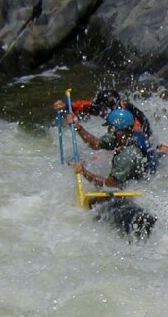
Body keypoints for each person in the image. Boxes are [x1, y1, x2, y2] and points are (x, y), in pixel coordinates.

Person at [69, 108, 157, 238]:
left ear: (119, 131)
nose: (109, 131)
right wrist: (78, 127)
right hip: (123, 186)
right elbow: (96, 144)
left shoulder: (129, 154)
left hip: (130, 197)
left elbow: (110, 184)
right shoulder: (122, 137)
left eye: (110, 129)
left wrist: (84, 172)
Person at [54, 88, 152, 139]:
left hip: (140, 138)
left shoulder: (129, 116)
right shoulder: (105, 110)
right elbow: (85, 106)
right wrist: (67, 106)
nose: (101, 111)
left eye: (103, 108)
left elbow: (139, 133)